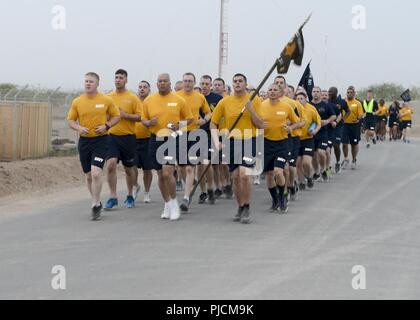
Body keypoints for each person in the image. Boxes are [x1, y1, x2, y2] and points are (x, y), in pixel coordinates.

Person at [67, 72, 121, 220]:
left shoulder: (106, 100)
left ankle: (95, 204)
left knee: (97, 173)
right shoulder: (77, 101)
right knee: (89, 175)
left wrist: (107, 126)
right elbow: (71, 120)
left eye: (91, 81)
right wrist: (78, 128)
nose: (88, 83)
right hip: (84, 142)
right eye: (86, 81)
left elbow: (117, 116)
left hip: (101, 140)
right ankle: (96, 199)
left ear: (97, 84)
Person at [210, 74, 263, 224]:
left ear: (245, 84)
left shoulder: (254, 100)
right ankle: (240, 206)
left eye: (240, 81)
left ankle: (246, 206)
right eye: (235, 81)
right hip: (230, 142)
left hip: (248, 139)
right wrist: (216, 142)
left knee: (244, 175)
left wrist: (251, 109)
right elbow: (213, 123)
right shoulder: (225, 102)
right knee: (235, 177)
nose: (237, 83)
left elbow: (260, 124)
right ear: (232, 84)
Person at [142, 73, 193, 221]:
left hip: (172, 139)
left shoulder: (179, 100)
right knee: (159, 174)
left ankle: (174, 203)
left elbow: (190, 119)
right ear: (156, 84)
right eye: (159, 81)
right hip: (155, 138)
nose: (162, 83)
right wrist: (148, 123)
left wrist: (179, 125)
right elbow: (143, 119)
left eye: (165, 81)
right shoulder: (149, 100)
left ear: (170, 83)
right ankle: (167, 203)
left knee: (167, 172)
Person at [258, 84, 300, 213]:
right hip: (266, 143)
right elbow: (254, 122)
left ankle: (282, 197)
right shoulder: (261, 105)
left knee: (278, 171)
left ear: (280, 92)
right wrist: (259, 125)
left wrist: (290, 128)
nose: (272, 92)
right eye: (270, 90)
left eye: (275, 90)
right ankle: (275, 199)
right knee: (269, 175)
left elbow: (297, 122)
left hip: (282, 143)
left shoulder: (286, 106)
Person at [105, 69, 142, 210]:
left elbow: (140, 117)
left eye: (121, 78)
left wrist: (124, 115)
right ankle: (113, 197)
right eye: (116, 77)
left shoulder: (132, 98)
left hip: (128, 137)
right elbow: (105, 116)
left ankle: (130, 195)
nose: (118, 80)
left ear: (126, 80)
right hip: (112, 136)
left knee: (128, 169)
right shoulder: (108, 97)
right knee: (111, 165)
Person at [176, 73, 211, 212]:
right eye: (185, 81)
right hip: (180, 133)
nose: (187, 83)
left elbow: (208, 113)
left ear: (194, 82)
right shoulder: (176, 96)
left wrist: (204, 120)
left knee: (191, 167)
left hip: (195, 134)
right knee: (181, 166)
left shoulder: (200, 97)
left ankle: (186, 197)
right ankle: (190, 184)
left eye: (190, 81)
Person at [198, 75, 223, 205]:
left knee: (214, 164)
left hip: (212, 133)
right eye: (202, 83)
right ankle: (204, 191)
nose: (204, 86)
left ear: (211, 85)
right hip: (197, 134)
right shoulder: (196, 98)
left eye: (207, 84)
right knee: (201, 164)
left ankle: (217, 186)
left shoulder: (217, 99)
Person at [295, 91, 321, 190]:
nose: (299, 100)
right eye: (298, 99)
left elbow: (317, 122)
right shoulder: (293, 108)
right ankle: (301, 181)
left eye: (301, 98)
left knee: (306, 162)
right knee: (297, 163)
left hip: (308, 140)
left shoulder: (311, 108)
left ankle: (309, 176)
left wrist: (314, 130)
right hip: (296, 140)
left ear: (306, 99)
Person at [212, 77, 233, 199]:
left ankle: (228, 183)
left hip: (227, 134)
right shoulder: (209, 100)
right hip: (214, 134)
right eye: (215, 85)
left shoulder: (227, 101)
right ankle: (218, 186)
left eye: (219, 85)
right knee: (215, 164)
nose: (216, 87)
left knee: (225, 163)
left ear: (224, 87)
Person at [134, 80, 153, 203]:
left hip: (148, 139)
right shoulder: (133, 101)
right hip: (132, 139)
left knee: (147, 169)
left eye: (145, 87)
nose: (142, 89)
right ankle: (135, 186)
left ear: (149, 90)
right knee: (131, 167)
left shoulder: (152, 102)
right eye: (140, 87)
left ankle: (147, 192)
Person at [311, 87, 336, 182]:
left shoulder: (325, 105)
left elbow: (333, 115)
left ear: (320, 93)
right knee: (313, 155)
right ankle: (317, 172)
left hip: (323, 133)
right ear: (311, 93)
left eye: (317, 92)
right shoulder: (309, 105)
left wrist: (328, 121)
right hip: (312, 133)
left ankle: (324, 169)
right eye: (314, 92)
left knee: (322, 152)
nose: (316, 93)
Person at [328, 87, 350, 174]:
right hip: (329, 126)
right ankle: (328, 164)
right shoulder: (327, 101)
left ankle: (337, 162)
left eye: (331, 92)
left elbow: (348, 111)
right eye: (329, 91)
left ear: (336, 93)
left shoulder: (342, 102)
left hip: (338, 126)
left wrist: (343, 119)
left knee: (336, 145)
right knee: (328, 146)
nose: (329, 93)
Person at [342, 86, 364, 170]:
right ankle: (346, 158)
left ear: (354, 93)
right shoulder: (343, 102)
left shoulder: (357, 103)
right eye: (348, 92)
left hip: (354, 126)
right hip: (345, 125)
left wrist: (358, 118)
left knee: (354, 144)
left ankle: (354, 159)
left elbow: (361, 114)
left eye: (351, 92)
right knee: (344, 143)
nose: (349, 94)